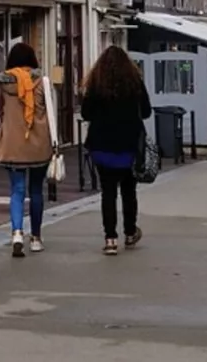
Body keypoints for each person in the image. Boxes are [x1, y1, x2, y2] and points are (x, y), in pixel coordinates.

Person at [80, 45, 153, 256]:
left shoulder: (96, 84)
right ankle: (130, 231)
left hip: (102, 145)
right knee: (129, 191)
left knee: (108, 192)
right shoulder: (135, 84)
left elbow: (86, 113)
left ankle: (110, 238)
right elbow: (146, 112)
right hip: (129, 145)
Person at [0, 42, 55, 258]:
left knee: (17, 191)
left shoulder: (4, 85)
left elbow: (1, 111)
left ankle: (17, 233)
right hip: (39, 145)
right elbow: (50, 111)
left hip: (13, 144)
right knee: (36, 191)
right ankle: (35, 238)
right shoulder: (42, 82)